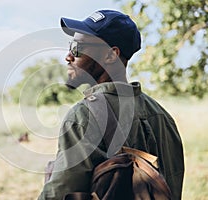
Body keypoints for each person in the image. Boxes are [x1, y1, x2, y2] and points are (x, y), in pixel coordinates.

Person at [38, 9, 184, 200]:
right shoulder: (163, 116)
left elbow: (60, 194)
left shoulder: (83, 116)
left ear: (110, 55)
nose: (68, 56)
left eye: (77, 48)